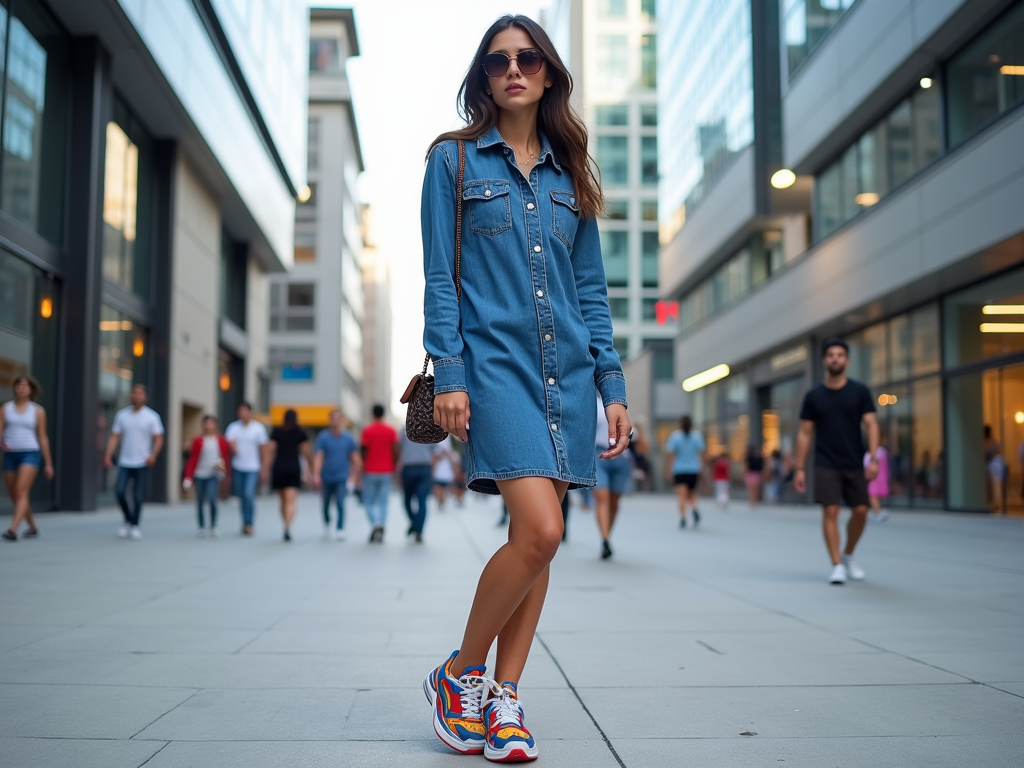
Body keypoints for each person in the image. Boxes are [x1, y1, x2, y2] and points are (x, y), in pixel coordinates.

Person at [419, 17, 630, 763]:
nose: (514, 69)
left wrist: (612, 384)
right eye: (499, 60)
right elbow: (440, 276)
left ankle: (505, 700)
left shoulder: (572, 174)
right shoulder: (451, 161)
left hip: (568, 376)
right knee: (541, 531)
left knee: (535, 544)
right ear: (484, 77)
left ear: (548, 75)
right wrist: (450, 373)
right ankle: (459, 674)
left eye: (528, 58)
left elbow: (591, 292)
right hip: (497, 369)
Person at [794, 338, 879, 585]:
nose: (835, 358)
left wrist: (873, 458)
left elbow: (871, 424)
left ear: (847, 360)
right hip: (825, 462)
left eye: (840, 355)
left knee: (861, 511)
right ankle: (836, 565)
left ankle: (848, 553)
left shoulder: (859, 391)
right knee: (830, 510)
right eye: (830, 354)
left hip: (854, 461)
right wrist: (800, 467)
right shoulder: (813, 395)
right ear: (824, 360)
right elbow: (805, 432)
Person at [103, 384, 164, 540]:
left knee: (138, 495)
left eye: (140, 393)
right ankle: (128, 518)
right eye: (134, 392)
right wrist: (108, 455)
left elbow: (158, 439)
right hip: (125, 461)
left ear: (145, 397)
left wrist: (153, 455)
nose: (136, 395)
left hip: (142, 462)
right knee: (120, 491)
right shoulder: (122, 415)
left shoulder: (152, 417)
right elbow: (115, 437)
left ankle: (135, 525)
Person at [1, 375, 54, 541]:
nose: (21, 388)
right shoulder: (6, 408)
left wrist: (49, 464)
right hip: (10, 453)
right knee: (15, 494)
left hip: (30, 452)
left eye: (25, 385)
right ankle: (32, 526)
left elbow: (43, 437)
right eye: (18, 385)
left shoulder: (37, 411)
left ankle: (13, 530)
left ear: (31, 390)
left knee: (20, 490)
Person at [313, 409, 362, 541]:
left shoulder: (348, 438)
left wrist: (355, 476)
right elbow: (319, 456)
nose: (335, 421)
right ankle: (327, 521)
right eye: (333, 418)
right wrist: (316, 474)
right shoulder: (323, 437)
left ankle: (340, 528)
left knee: (341, 502)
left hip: (342, 476)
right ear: (329, 420)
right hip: (327, 476)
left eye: (337, 418)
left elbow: (355, 458)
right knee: (325, 503)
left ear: (341, 420)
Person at [265, 409, 313, 542]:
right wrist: (311, 468)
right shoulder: (300, 432)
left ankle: (285, 525)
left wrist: (265, 469)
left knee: (283, 501)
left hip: (279, 467)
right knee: (290, 501)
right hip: (293, 467)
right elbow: (306, 451)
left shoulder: (277, 431)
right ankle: (287, 527)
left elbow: (270, 450)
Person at [594, 395, 630, 559]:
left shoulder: (618, 400)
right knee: (603, 497)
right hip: (599, 454)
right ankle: (605, 539)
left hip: (621, 457)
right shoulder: (590, 400)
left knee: (614, 501)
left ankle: (608, 534)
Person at [182, 415, 231, 537]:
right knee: (200, 501)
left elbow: (225, 458)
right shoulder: (198, 440)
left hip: (213, 474)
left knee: (212, 499)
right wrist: (188, 477)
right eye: (207, 423)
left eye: (212, 423)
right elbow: (192, 459)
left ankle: (213, 525)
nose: (209, 426)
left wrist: (223, 470)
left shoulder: (220, 441)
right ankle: (201, 526)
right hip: (199, 474)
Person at [225, 402, 268, 535]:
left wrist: (264, 468)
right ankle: (244, 522)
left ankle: (250, 523)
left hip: (252, 467)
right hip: (238, 466)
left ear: (250, 413)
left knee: (249, 495)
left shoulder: (258, 428)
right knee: (242, 496)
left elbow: (263, 449)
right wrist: (233, 447)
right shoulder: (233, 427)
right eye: (240, 411)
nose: (243, 413)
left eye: (245, 411)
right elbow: (228, 442)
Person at [360, 404, 399, 543]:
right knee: (383, 501)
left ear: (372, 413)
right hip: (387, 470)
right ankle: (381, 524)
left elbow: (363, 451)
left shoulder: (367, 430)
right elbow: (395, 450)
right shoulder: (391, 431)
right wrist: (394, 465)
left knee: (368, 500)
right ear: (383, 414)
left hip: (370, 470)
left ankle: (375, 523)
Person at [664, 415, 705, 528]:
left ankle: (683, 517)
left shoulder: (675, 437)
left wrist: (668, 470)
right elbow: (701, 454)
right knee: (691, 493)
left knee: (681, 495)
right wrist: (702, 469)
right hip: (693, 470)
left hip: (680, 470)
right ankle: (694, 508)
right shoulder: (697, 436)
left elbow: (671, 455)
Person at [399, 426, 434, 543]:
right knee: (422, 501)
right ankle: (418, 528)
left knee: (407, 499)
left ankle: (415, 524)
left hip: (409, 467)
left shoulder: (403, 429)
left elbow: (399, 448)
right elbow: (434, 450)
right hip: (424, 467)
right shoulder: (430, 427)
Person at [866, 444, 890, 523]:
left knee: (872, 495)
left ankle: (878, 513)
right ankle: (877, 512)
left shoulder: (872, 454)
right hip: (881, 476)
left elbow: (867, 465)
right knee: (874, 495)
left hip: (874, 477)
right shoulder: (883, 452)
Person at [432, 436, 457, 510]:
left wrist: (447, 455)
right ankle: (440, 501)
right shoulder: (436, 449)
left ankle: (442, 502)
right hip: (438, 473)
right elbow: (434, 460)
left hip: (446, 474)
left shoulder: (449, 451)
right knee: (439, 489)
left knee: (444, 490)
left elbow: (453, 462)